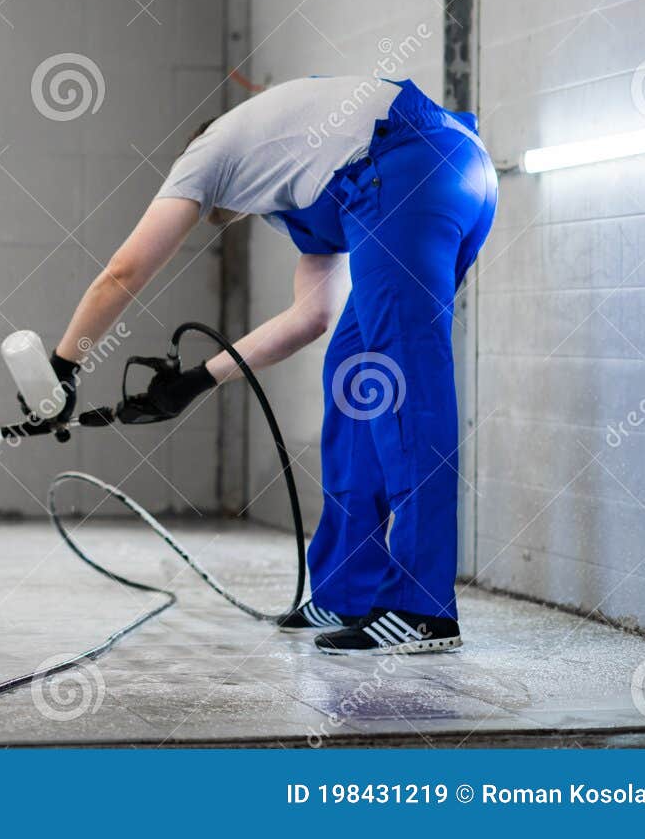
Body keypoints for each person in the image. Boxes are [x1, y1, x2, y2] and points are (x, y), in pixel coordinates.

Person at [44, 75, 497, 655]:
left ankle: (421, 608)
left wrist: (64, 367)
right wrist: (197, 380)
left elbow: (123, 274)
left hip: (411, 168)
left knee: (403, 382)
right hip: (449, 174)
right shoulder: (294, 175)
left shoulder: (207, 156)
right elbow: (310, 319)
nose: (212, 217)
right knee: (357, 374)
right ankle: (347, 590)